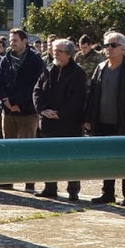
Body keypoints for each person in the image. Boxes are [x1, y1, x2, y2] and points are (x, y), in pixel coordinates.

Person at [83, 31, 125, 206]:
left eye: (114, 45)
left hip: (124, 123)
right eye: (107, 45)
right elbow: (92, 94)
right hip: (102, 122)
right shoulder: (100, 68)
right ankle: (107, 193)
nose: (109, 48)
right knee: (106, 160)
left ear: (123, 48)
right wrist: (88, 118)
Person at [32, 37, 88, 201]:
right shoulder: (48, 68)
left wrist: (60, 113)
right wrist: (42, 110)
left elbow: (78, 99)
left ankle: (73, 190)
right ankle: (50, 188)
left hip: (69, 123)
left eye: (58, 51)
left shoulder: (78, 73)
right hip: (48, 122)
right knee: (49, 157)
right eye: (54, 50)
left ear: (69, 54)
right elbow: (37, 90)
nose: (54, 54)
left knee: (71, 158)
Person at [0, 28, 45, 191]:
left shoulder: (35, 61)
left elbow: (37, 86)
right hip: (8, 111)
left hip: (27, 112)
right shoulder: (6, 59)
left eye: (15, 40)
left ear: (24, 41)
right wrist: (6, 100)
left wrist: (19, 103)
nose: (12, 43)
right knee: (8, 147)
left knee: (27, 148)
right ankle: (8, 179)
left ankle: (29, 182)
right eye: (11, 40)